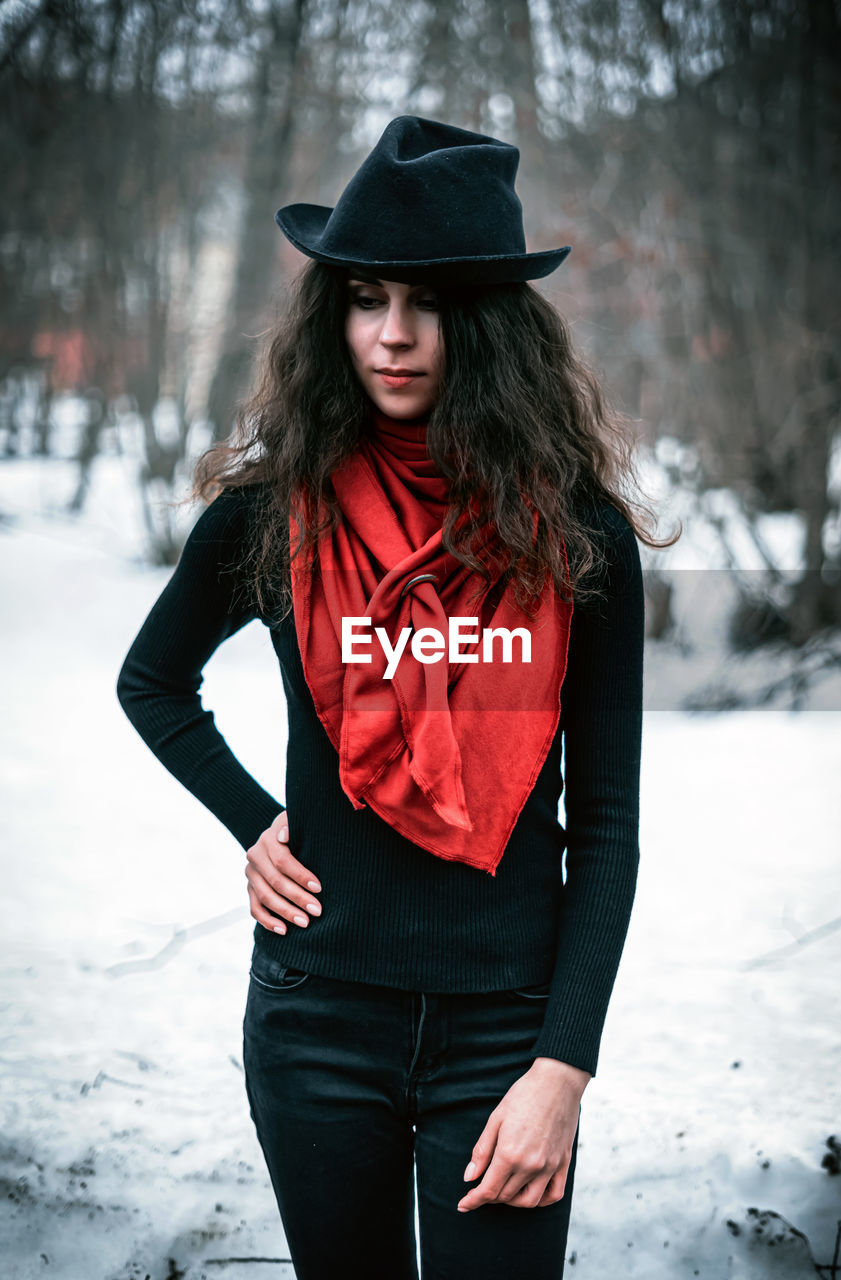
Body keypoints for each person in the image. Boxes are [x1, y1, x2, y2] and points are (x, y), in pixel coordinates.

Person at [117, 115, 672, 1280]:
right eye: (366, 297)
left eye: (430, 301)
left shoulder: (580, 539)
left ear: (488, 322)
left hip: (505, 1033)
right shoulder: (272, 517)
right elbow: (152, 681)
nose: (394, 334)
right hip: (318, 1020)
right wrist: (254, 818)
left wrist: (562, 1067)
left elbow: (607, 833)